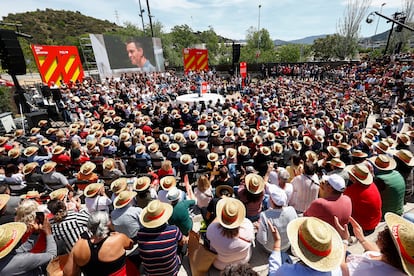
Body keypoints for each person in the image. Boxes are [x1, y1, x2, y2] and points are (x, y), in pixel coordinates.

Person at [334, 214, 409, 276]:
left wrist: (344, 241)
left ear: (388, 246)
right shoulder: (394, 262)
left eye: (385, 233)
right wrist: (362, 239)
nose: (379, 233)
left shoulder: (366, 269)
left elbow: (341, 269)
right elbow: (379, 253)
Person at [64, 211, 133, 276]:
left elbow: (68, 273)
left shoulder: (79, 245)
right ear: (107, 224)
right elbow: (130, 245)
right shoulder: (118, 238)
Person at [268, 217, 343, 275]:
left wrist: (277, 245)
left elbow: (273, 273)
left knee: (282, 255)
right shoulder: (336, 271)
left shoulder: (286, 271)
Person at [136, 199, 185, 275]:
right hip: (171, 272)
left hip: (151, 273)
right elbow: (182, 242)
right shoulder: (173, 230)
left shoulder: (140, 234)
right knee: (183, 247)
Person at [206, 197, 255, 271]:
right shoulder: (248, 225)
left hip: (221, 265)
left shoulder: (211, 229)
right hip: (243, 261)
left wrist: (220, 216)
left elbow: (211, 226)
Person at [257, 185, 297, 253]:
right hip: (286, 246)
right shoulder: (292, 210)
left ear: (271, 201)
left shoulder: (264, 215)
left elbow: (262, 240)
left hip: (270, 249)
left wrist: (258, 228)